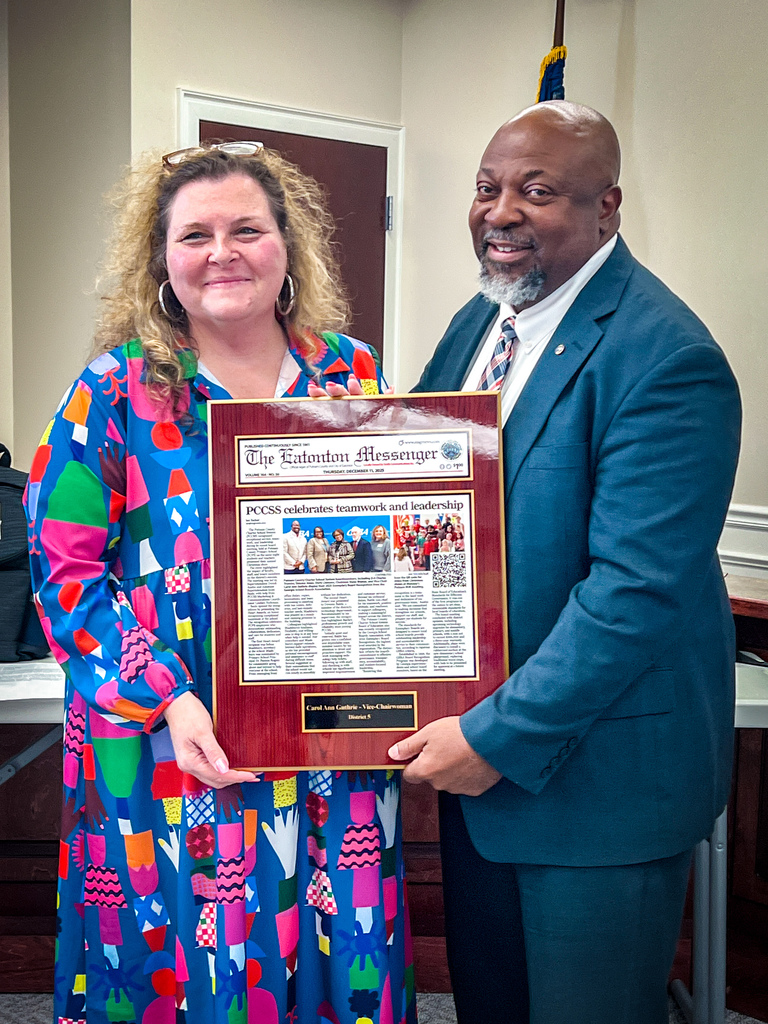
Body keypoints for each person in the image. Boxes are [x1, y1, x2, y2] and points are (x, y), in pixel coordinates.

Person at [25, 141, 415, 1024]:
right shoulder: (114, 389)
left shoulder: (351, 374)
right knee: (184, 953)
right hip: (168, 740)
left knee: (335, 947)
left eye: (247, 229)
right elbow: (65, 570)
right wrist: (165, 697)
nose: (222, 253)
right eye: (195, 235)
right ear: (163, 260)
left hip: (327, 734)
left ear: (288, 246)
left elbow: (392, 545)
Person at [388, 101, 742, 1024]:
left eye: (537, 192)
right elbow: (415, 491)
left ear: (606, 207)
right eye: (487, 187)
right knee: (494, 1008)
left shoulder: (667, 357)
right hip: (481, 776)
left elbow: (635, 595)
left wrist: (492, 739)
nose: (500, 211)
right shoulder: (478, 325)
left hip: (598, 790)